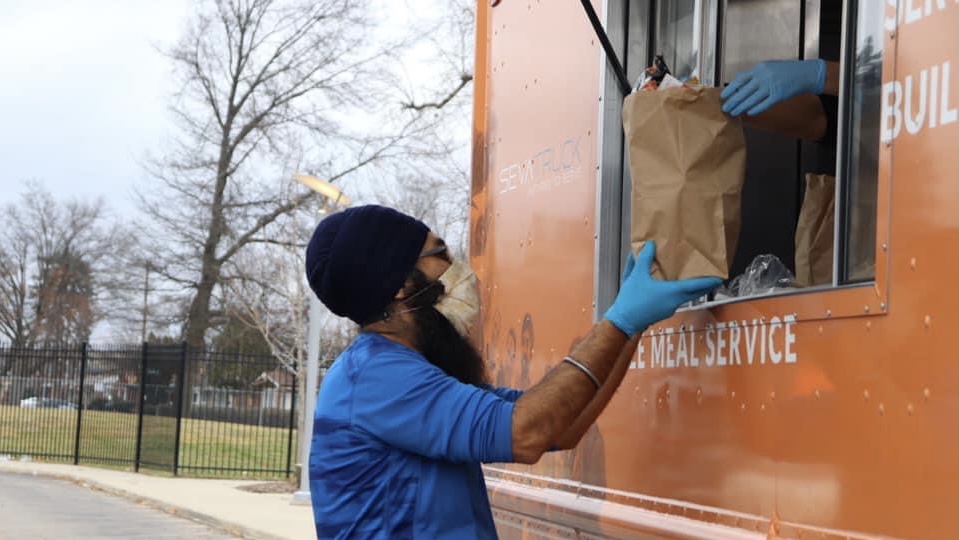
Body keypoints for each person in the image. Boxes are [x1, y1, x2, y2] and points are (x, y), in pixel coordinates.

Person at [304, 204, 720, 539]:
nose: (457, 266)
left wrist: (631, 328)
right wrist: (620, 321)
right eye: (440, 253)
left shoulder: (401, 371)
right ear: (399, 284)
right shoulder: (378, 377)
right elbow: (526, 433)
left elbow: (560, 427)